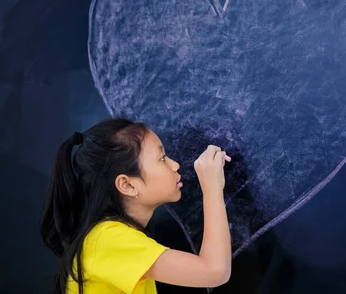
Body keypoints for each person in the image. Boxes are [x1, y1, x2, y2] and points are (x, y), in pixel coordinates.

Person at [39, 118, 232, 294]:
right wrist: (212, 186)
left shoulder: (109, 237)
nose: (175, 165)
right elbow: (214, 272)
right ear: (128, 185)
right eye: (162, 158)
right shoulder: (108, 239)